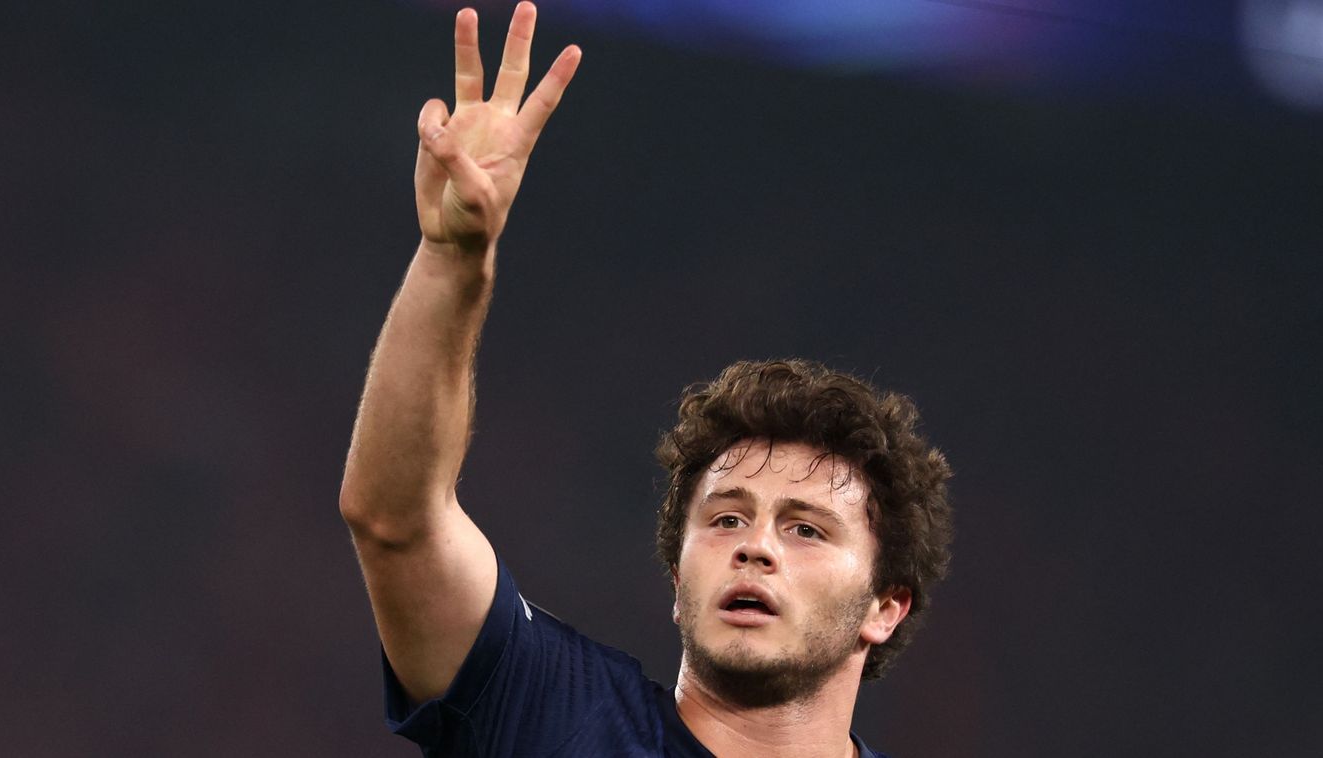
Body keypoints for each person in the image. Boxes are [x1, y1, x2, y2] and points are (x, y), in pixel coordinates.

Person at [339, 4, 953, 756]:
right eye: (725, 518)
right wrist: (452, 255)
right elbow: (395, 521)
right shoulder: (558, 714)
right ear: (675, 578)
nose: (754, 546)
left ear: (885, 607)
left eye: (805, 528)